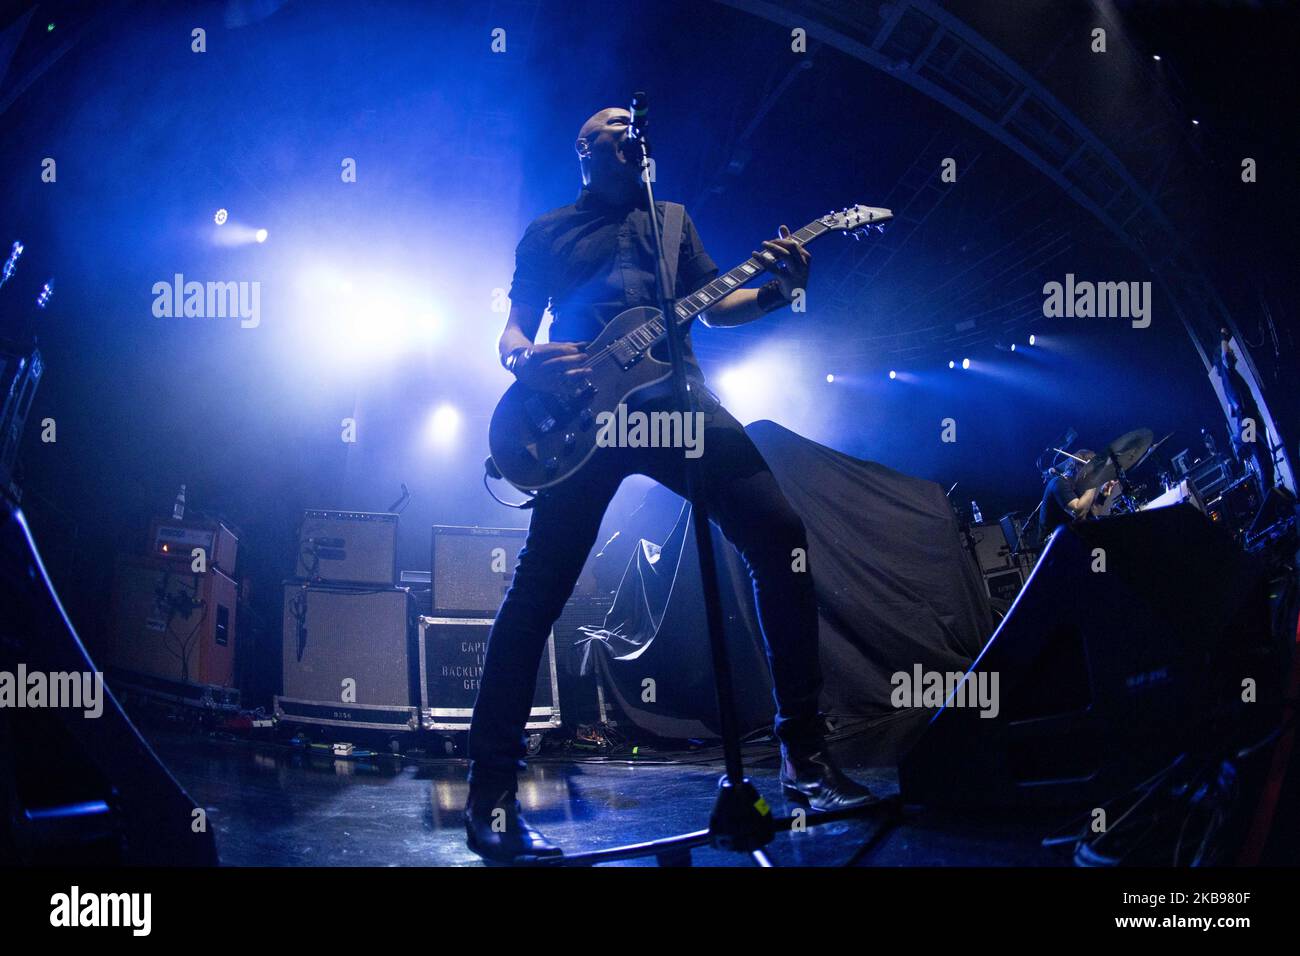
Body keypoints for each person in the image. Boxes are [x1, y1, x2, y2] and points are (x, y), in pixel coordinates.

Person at [464, 107, 875, 864]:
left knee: (780, 536)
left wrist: (782, 291)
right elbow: (511, 334)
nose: (628, 128)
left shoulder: (672, 220)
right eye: (611, 124)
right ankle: (491, 788)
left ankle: (804, 762)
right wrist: (529, 359)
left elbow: (718, 309)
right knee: (539, 590)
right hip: (583, 419)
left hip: (677, 402)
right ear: (585, 149)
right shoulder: (548, 232)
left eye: (633, 123)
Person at [1036, 449, 1120, 544]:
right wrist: (1092, 481)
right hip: (1052, 543)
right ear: (1079, 468)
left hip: (1069, 538)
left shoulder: (1077, 489)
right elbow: (1079, 513)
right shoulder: (1058, 483)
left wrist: (1102, 497)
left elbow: (1089, 517)